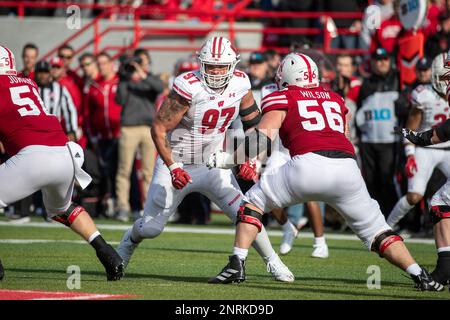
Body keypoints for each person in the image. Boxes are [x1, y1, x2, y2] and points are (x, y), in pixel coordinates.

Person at [206, 52, 443, 292]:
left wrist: (228, 160)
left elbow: (260, 139)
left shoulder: (282, 96)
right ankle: (420, 274)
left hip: (308, 165)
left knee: (251, 205)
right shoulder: (335, 99)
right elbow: (345, 136)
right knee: (379, 232)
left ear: (287, 76)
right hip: (348, 169)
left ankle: (237, 263)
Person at [117, 37, 294, 282]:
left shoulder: (241, 83)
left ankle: (273, 262)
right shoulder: (189, 86)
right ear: (202, 64)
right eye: (211, 66)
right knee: (151, 228)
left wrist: (248, 158)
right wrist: (173, 167)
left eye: (222, 66)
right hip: (177, 162)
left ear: (233, 65)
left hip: (212, 164)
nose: (217, 71)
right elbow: (158, 128)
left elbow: (254, 123)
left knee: (246, 212)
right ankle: (128, 242)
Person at [0, 45, 123, 281]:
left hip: (34, 155)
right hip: (64, 152)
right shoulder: (28, 82)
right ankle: (106, 251)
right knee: (62, 209)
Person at [387, 53, 450, 229]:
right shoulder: (423, 94)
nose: (447, 82)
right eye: (444, 77)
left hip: (449, 148)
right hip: (426, 147)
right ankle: (385, 227)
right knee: (414, 196)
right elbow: (411, 129)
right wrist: (410, 155)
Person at [115, 48, 163, 222]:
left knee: (149, 172)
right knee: (124, 170)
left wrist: (142, 73)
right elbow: (119, 99)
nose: (137, 64)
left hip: (148, 129)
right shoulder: (126, 79)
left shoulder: (151, 79)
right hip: (128, 128)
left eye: (141, 61)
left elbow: (158, 88)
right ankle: (122, 207)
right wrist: (123, 76)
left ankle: (147, 207)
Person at [355, 47, 400, 218]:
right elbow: (360, 110)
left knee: (388, 180)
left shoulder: (398, 79)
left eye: (384, 59)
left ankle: (396, 219)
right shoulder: (366, 83)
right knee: (371, 181)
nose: (381, 63)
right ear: (372, 63)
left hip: (390, 140)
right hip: (368, 140)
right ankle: (377, 218)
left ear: (389, 61)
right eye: (377, 60)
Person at [34, 60, 78, 142]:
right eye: (40, 72)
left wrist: (71, 130)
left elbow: (69, 110)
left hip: (53, 133)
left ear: (50, 73)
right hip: (33, 133)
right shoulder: (28, 87)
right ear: (35, 73)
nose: (43, 75)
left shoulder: (59, 89)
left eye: (45, 72)